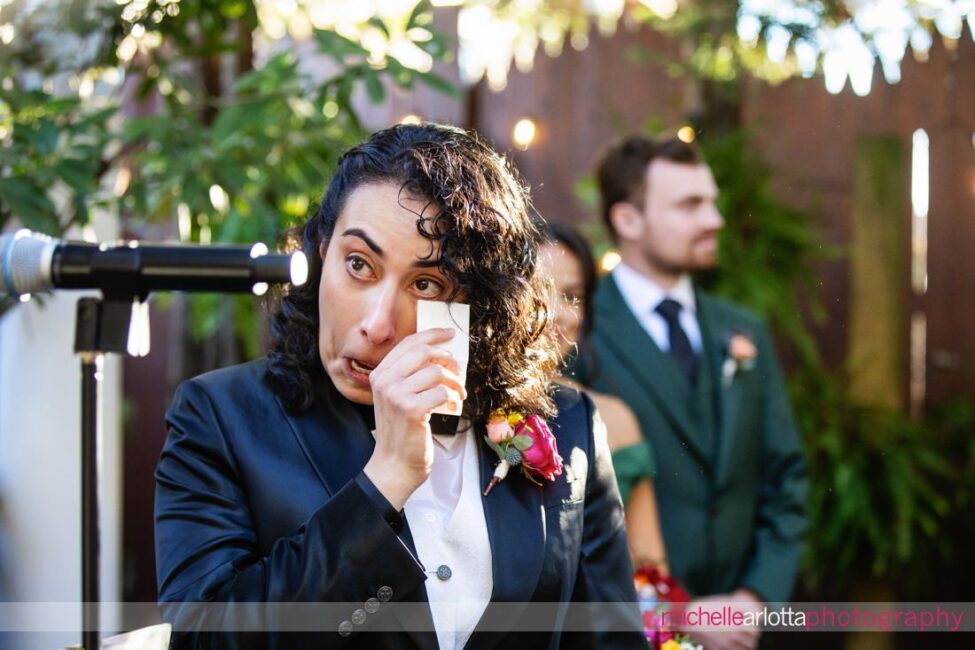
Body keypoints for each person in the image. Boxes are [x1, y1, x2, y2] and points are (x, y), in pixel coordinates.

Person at [154, 123, 646, 649]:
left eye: (426, 283)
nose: (377, 323)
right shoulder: (222, 418)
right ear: (322, 255)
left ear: (478, 304)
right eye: (359, 265)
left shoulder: (567, 424)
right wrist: (384, 481)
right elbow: (202, 639)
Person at [582, 135, 809, 649]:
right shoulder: (584, 335)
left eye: (711, 201)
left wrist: (754, 599)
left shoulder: (743, 330)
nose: (715, 220)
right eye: (691, 205)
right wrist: (674, 613)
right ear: (628, 221)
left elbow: (786, 482)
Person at [538, 220, 669, 575]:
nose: (559, 313)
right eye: (538, 290)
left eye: (571, 295)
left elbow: (649, 568)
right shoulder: (459, 409)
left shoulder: (614, 419)